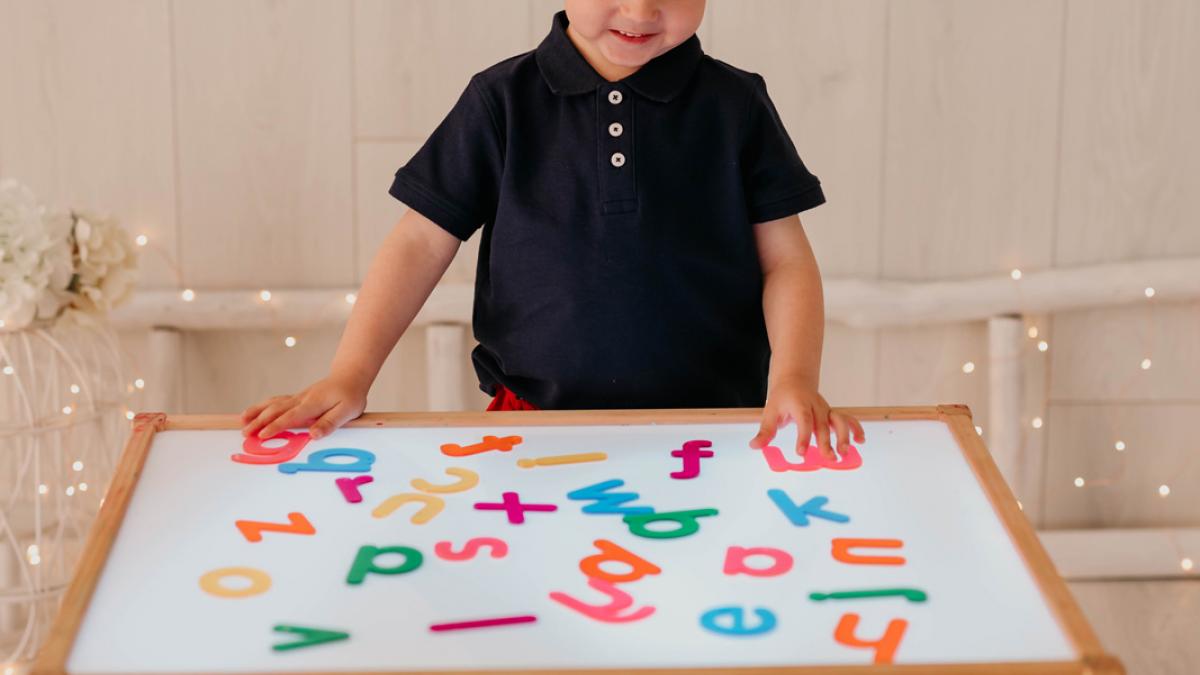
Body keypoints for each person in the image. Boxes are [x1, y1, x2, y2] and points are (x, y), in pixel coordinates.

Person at [241, 0, 865, 458]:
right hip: (532, 428)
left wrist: (793, 380)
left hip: (719, 428)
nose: (643, 8)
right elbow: (419, 242)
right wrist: (350, 374)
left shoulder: (737, 106)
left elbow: (785, 261)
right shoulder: (500, 100)